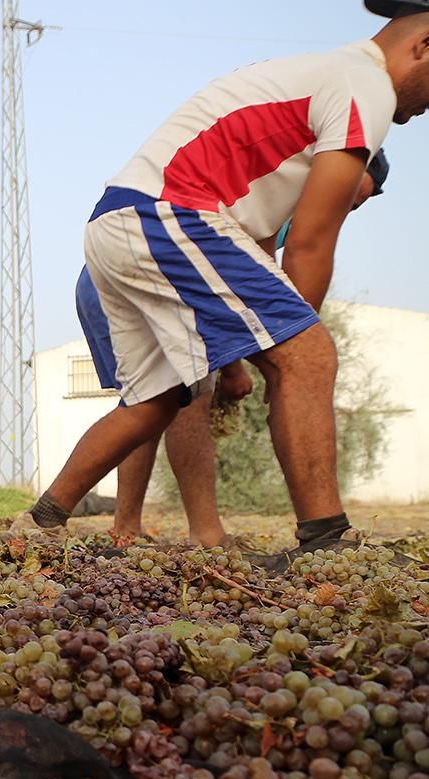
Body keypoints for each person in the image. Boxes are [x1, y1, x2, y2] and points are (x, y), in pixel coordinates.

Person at [17, 5, 429, 571]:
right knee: (310, 354)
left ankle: (39, 520)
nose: (426, 108)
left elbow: (257, 244)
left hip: (117, 221)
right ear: (425, 46)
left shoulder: (320, 72)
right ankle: (327, 542)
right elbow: (309, 243)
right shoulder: (367, 86)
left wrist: (260, 351)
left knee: (156, 400)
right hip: (169, 212)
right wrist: (290, 352)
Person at [91, 148, 390, 547]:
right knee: (192, 390)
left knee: (149, 400)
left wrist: (275, 358)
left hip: (111, 268)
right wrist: (251, 364)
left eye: (355, 206)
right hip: (143, 267)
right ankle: (206, 533)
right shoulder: (269, 194)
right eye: (346, 192)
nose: (343, 207)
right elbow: (242, 286)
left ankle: (117, 526)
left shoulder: (284, 210)